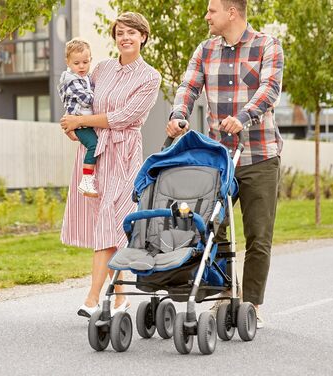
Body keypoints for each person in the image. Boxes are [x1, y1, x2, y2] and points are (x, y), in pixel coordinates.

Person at [166, 0, 284, 328]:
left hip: (260, 156)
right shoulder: (205, 50)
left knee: (259, 236)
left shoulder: (267, 45)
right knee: (210, 225)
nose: (206, 16)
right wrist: (178, 115)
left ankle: (252, 305)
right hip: (219, 160)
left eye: (211, 10)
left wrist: (244, 116)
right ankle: (223, 292)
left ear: (231, 12)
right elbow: (187, 88)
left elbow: (270, 89)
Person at [60, 12, 161, 318]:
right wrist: (72, 127)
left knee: (110, 218)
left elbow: (124, 117)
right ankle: (120, 300)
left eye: (131, 32)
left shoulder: (149, 77)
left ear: (143, 36)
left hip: (124, 153)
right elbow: (79, 99)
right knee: (109, 226)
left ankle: (92, 298)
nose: (125, 37)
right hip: (96, 154)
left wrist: (81, 120)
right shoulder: (101, 68)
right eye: (120, 33)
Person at [58, 38, 99, 198]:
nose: (81, 66)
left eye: (85, 62)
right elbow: (86, 99)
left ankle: (90, 177)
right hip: (80, 124)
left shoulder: (85, 78)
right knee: (94, 146)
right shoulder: (71, 80)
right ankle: (87, 179)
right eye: (77, 63)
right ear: (68, 62)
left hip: (84, 121)